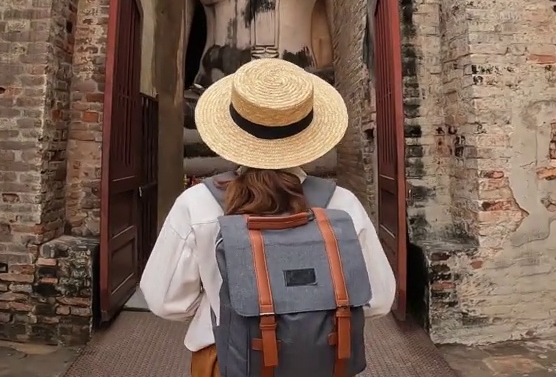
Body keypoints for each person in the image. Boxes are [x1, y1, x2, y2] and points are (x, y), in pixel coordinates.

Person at [140, 58, 397, 377]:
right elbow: (379, 300)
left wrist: (231, 308)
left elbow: (166, 301)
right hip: (324, 358)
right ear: (308, 131)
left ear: (232, 128)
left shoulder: (197, 204)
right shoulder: (341, 205)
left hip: (226, 359)